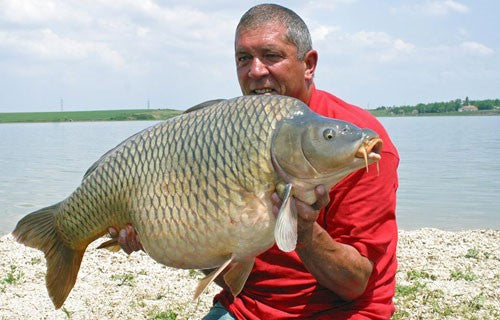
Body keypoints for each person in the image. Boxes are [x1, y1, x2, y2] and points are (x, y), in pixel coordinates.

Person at [109, 4, 399, 320]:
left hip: (343, 312)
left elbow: (355, 284)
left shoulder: (353, 146)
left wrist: (303, 231)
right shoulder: (225, 136)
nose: (255, 70)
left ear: (309, 65)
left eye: (271, 55)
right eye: (243, 59)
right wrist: (158, 234)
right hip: (249, 308)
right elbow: (228, 273)